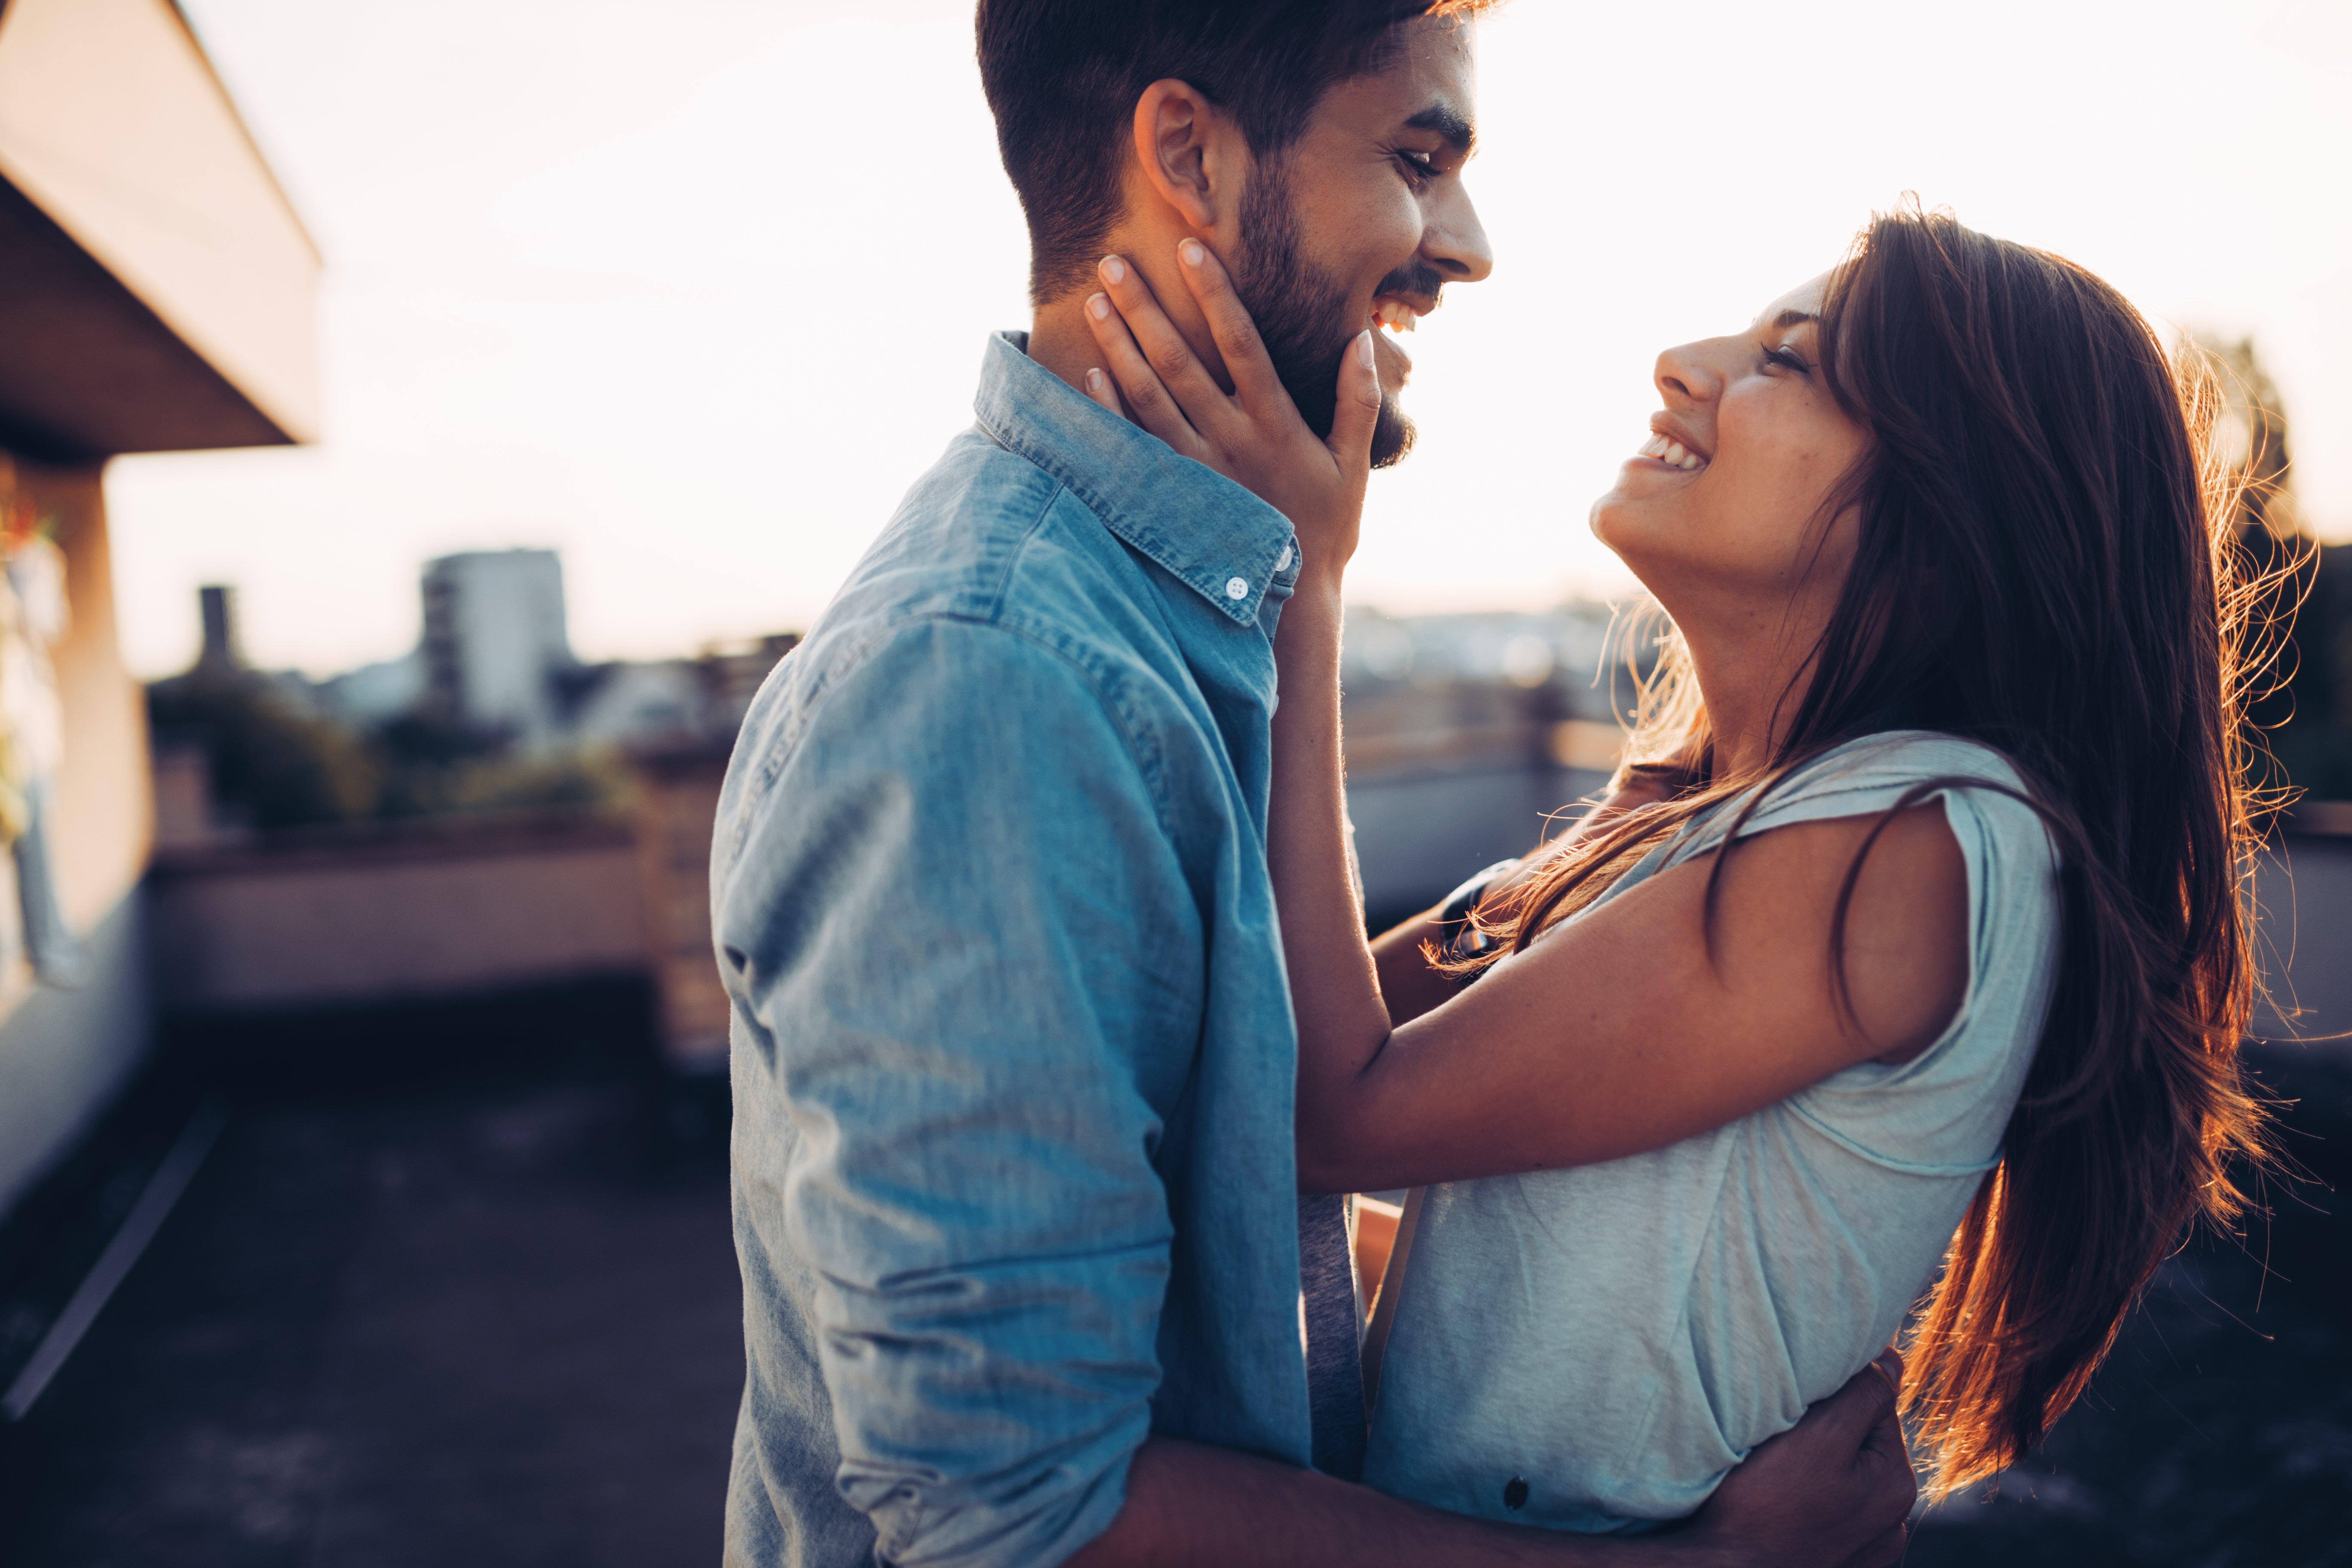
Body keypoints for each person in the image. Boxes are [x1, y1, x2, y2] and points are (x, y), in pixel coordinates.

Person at [711, 3, 1915, 1565]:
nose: (1465, 246)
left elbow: (1208, 1235)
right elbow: (1018, 1517)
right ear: (1188, 157)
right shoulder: (993, 678)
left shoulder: (1156, 627)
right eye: (1419, 159)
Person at [1075, 200, 2274, 1534]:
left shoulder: (1920, 841)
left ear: (1952, 508)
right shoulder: (1694, 824)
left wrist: (1298, 579)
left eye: (1791, 362)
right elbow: (1312, 1081)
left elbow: (1321, 1108)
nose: (1684, 362)